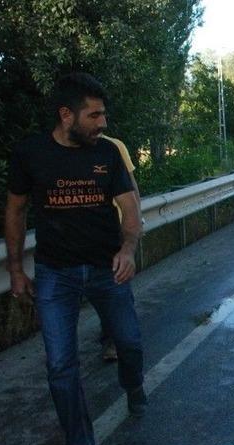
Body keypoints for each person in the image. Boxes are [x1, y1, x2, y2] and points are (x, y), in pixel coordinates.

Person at [4, 72, 145, 445]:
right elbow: (15, 210)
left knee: (130, 344)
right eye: (94, 115)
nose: (103, 124)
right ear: (67, 115)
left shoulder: (107, 154)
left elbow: (131, 208)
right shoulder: (31, 153)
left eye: (103, 115)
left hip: (106, 269)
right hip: (55, 275)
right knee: (61, 365)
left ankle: (133, 384)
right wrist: (15, 269)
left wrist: (128, 249)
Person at [98, 134, 141, 363]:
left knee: (117, 283)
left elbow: (131, 185)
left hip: (116, 228)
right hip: (84, 232)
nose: (100, 122)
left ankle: (117, 339)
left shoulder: (114, 146)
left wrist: (135, 221)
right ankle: (113, 333)